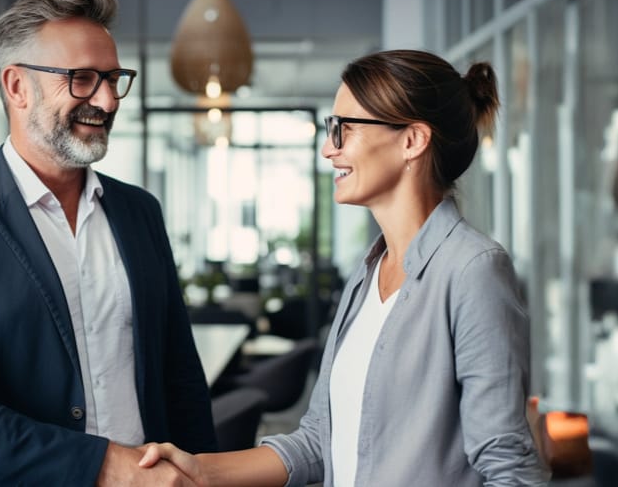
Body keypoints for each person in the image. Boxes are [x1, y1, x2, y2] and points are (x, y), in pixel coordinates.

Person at [139, 50, 549, 486]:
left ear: (412, 140)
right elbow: (319, 440)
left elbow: (512, 471)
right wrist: (197, 470)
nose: (328, 148)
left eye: (343, 129)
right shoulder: (368, 273)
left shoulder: (473, 271)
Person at [0, 0, 215, 486]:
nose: (106, 100)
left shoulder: (138, 212)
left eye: (112, 78)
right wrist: (105, 466)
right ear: (17, 87)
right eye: (81, 79)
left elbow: (180, 378)